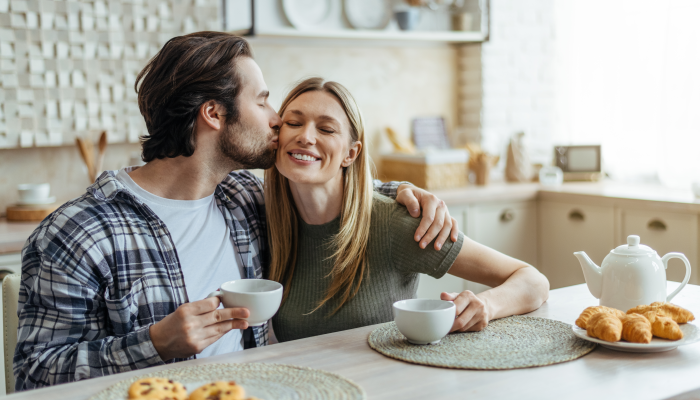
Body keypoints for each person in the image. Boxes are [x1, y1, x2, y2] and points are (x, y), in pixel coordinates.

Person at [13, 33, 459, 391]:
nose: (276, 119)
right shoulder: (77, 233)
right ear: (213, 113)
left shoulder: (244, 199)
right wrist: (154, 344)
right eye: (262, 100)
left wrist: (401, 191)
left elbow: (328, 180)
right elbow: (34, 375)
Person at [266, 78, 551, 342]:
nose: (305, 136)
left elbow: (533, 281)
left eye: (326, 129)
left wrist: (485, 305)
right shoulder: (261, 221)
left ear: (350, 154)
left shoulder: (392, 224)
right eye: (293, 123)